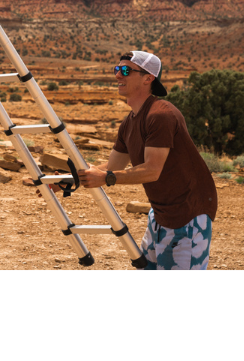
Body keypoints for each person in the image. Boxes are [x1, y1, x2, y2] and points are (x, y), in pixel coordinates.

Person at [77, 50, 218, 270]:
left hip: (188, 216)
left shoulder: (161, 115)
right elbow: (113, 166)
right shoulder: (130, 121)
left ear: (148, 78)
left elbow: (152, 170)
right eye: (117, 69)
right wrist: (72, 179)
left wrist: (106, 178)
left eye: (125, 70)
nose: (118, 76)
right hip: (159, 216)